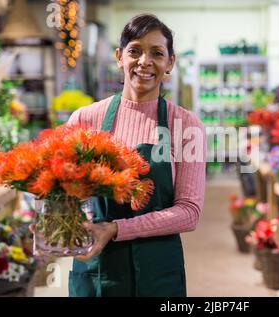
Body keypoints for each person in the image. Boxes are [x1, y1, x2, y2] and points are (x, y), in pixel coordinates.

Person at [65, 14, 206, 297]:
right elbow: (66, 193)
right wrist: (54, 222)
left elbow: (189, 212)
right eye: (135, 51)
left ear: (170, 63)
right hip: (98, 266)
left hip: (158, 270)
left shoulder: (185, 125)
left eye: (157, 53)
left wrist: (116, 229)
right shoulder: (86, 119)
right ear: (119, 57)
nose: (145, 61)